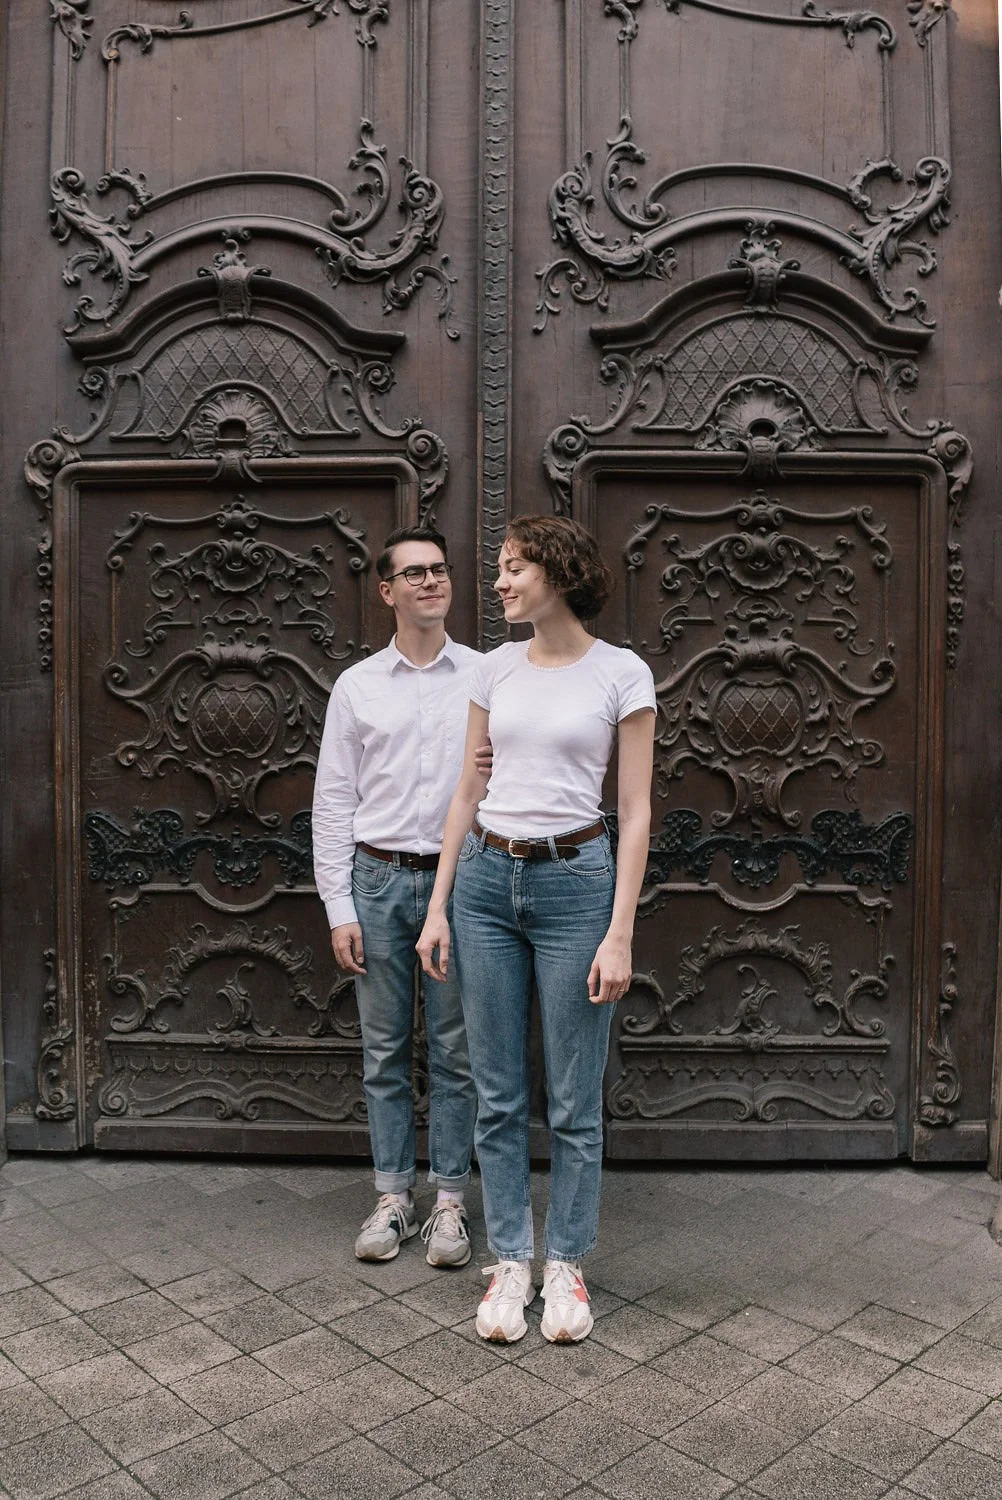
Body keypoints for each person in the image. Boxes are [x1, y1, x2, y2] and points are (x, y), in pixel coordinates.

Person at [417, 514, 655, 1343]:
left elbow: (635, 810)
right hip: (486, 878)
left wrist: (619, 929)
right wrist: (439, 904)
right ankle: (511, 1258)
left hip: (576, 885)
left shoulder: (621, 674)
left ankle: (568, 1268)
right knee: (498, 1089)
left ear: (557, 571)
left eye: (514, 567)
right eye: (501, 567)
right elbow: (465, 792)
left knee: (574, 1096)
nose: (500, 581)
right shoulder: (494, 668)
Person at [312, 524, 481, 1268]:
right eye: (413, 573)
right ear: (387, 590)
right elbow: (332, 801)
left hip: (458, 882)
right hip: (375, 879)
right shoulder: (357, 686)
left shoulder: (485, 676)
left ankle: (448, 1205)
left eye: (439, 570)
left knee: (454, 1050)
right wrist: (338, 906)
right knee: (383, 1048)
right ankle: (390, 1197)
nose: (430, 582)